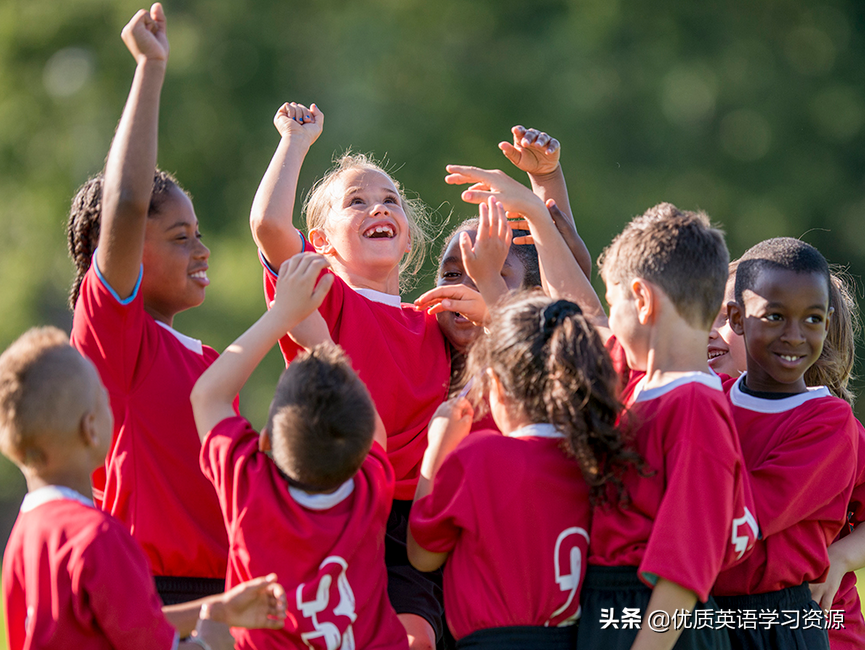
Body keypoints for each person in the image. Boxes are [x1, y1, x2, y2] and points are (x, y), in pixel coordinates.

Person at [249, 102, 448, 649]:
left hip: (420, 521)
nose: (376, 208)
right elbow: (268, 225)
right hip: (345, 503)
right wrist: (295, 141)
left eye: (390, 201)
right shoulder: (321, 295)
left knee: (419, 638)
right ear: (320, 242)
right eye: (354, 202)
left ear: (407, 238)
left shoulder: (434, 323)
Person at [66, 4, 231, 604]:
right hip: (147, 595)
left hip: (221, 604)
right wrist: (151, 69)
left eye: (199, 233)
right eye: (180, 237)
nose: (202, 250)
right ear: (126, 251)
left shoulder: (212, 362)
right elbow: (129, 201)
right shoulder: (116, 337)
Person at [0, 326, 288, 650]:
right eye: (104, 399)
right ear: (91, 428)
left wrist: (217, 609)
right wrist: (208, 643)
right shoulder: (99, 537)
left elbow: (123, 623)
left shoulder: (23, 537)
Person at [190, 253, 409, 650]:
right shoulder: (369, 491)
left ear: (266, 440)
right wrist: (320, 338)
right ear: (361, 450)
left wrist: (281, 317)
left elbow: (208, 395)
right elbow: (373, 428)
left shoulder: (249, 488)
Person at [407, 293, 634, 648]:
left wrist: (438, 447)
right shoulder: (602, 457)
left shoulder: (479, 457)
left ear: (496, 385)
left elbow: (422, 556)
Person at [577, 204, 757, 650]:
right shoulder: (642, 389)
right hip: (615, 604)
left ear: (641, 299)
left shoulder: (695, 406)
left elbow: (685, 565)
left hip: (656, 620)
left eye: (612, 301)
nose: (610, 319)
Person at [712, 237, 860, 650]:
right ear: (740, 317)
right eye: (775, 316)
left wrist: (842, 557)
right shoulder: (710, 398)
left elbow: (741, 520)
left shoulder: (830, 425)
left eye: (811, 319)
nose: (794, 336)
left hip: (797, 623)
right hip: (711, 613)